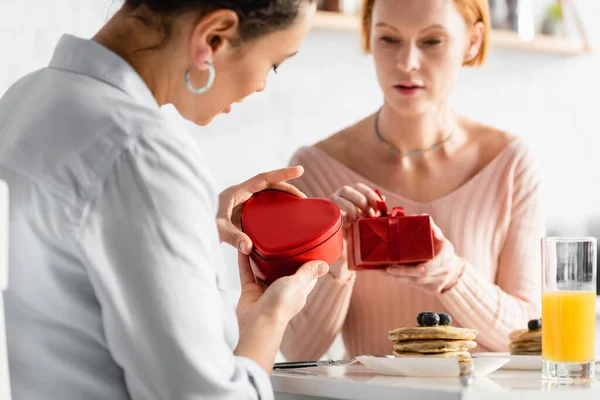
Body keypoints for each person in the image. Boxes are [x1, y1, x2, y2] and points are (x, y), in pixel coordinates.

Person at [0, 1, 326, 399]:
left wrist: (189, 224)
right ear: (215, 36)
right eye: (274, 63)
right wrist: (270, 318)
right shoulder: (139, 151)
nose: (262, 85)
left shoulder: (26, 99)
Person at [281, 0, 545, 361]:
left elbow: (530, 335)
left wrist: (453, 276)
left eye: (432, 41)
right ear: (369, 37)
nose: (406, 63)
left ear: (472, 40)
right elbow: (297, 349)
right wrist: (336, 263)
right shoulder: (315, 169)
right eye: (388, 39)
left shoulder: (511, 165)